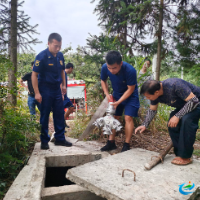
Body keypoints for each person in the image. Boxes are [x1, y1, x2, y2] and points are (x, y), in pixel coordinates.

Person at [135, 78, 200, 165]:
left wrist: (177, 116)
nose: (147, 98)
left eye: (148, 96)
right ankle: (180, 153)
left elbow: (194, 101)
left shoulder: (175, 85)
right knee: (171, 122)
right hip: (185, 105)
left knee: (186, 120)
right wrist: (144, 124)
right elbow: (152, 110)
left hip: (196, 103)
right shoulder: (154, 93)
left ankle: (185, 156)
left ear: (157, 92)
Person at [32, 33, 72, 150]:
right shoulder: (41, 56)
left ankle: (60, 138)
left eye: (60, 46)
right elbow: (34, 75)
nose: (58, 48)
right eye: (55, 46)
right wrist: (37, 92)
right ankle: (44, 140)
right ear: (49, 43)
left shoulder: (60, 55)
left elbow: (61, 72)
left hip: (57, 89)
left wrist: (64, 86)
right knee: (44, 115)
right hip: (45, 89)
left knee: (59, 113)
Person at [100, 50, 140, 152]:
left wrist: (118, 102)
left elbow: (130, 89)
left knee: (128, 118)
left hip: (131, 96)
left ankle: (126, 144)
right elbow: (103, 80)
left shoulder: (130, 70)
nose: (112, 71)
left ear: (120, 64)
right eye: (109, 68)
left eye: (114, 68)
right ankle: (111, 143)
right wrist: (107, 94)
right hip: (116, 94)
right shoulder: (105, 67)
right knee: (114, 117)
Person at [63, 63, 75, 127]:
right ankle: (62, 124)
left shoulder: (65, 74)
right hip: (62, 96)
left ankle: (63, 120)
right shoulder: (63, 73)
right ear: (70, 68)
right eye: (72, 69)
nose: (72, 71)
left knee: (71, 107)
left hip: (65, 96)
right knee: (61, 111)